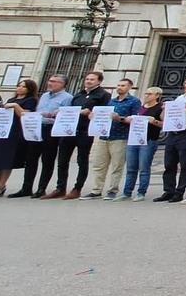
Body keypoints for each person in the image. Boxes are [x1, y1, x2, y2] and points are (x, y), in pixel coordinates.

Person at [49, 71, 109, 200]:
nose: (88, 81)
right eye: (87, 79)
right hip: (69, 130)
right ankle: (60, 188)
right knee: (62, 161)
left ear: (99, 81)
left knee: (82, 161)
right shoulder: (79, 94)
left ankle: (77, 188)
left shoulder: (103, 95)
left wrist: (90, 112)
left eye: (92, 79)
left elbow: (103, 112)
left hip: (85, 131)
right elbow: (70, 109)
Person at [0, 79, 37, 197]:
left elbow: (25, 115)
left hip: (15, 132)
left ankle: (1, 185)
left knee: (7, 160)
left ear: (29, 89)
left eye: (24, 87)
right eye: (19, 86)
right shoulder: (11, 100)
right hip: (2, 131)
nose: (20, 88)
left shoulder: (30, 100)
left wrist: (15, 106)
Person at [85, 78, 140, 200]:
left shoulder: (134, 101)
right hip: (104, 136)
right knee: (99, 165)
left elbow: (135, 119)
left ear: (130, 87)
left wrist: (119, 118)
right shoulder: (111, 101)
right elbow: (103, 115)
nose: (119, 87)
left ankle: (112, 190)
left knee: (117, 166)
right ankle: (96, 190)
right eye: (118, 85)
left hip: (120, 137)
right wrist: (94, 117)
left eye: (123, 85)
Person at [155, 74, 186, 203]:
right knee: (169, 163)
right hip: (173, 133)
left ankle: (179, 192)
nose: (185, 85)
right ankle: (168, 190)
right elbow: (166, 117)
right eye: (185, 83)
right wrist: (165, 110)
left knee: (185, 164)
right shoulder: (180, 98)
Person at [119, 86, 164, 201]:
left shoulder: (160, 108)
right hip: (135, 138)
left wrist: (154, 121)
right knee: (131, 167)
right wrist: (127, 119)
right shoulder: (141, 107)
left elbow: (164, 124)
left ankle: (141, 192)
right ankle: (127, 192)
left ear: (157, 96)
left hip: (149, 140)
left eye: (150, 94)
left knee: (144, 167)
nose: (146, 96)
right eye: (146, 93)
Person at [30, 75, 71, 198]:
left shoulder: (67, 98)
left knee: (47, 160)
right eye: (49, 80)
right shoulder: (44, 96)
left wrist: (53, 115)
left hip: (51, 129)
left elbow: (67, 116)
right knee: (31, 159)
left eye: (54, 81)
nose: (50, 83)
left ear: (62, 84)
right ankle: (26, 187)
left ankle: (41, 188)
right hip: (38, 128)